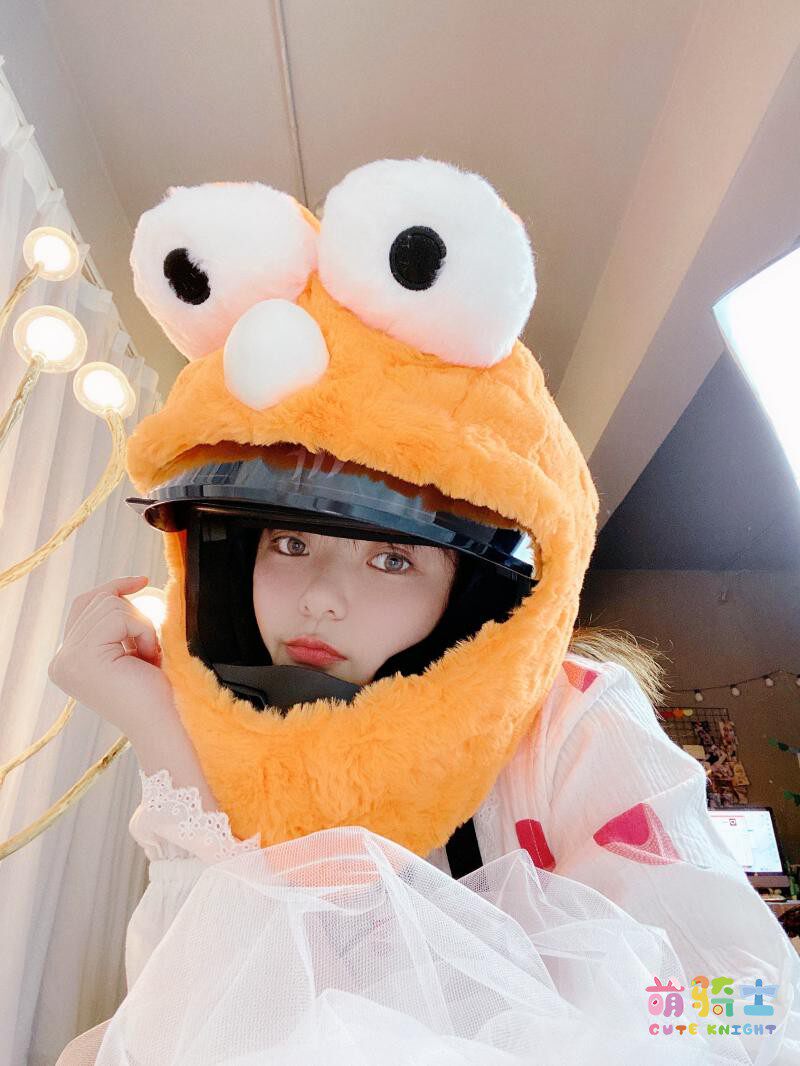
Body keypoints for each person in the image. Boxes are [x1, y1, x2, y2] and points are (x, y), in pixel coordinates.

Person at [50, 156, 800, 1063]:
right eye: (288, 544)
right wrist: (162, 732)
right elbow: (198, 1018)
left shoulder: (568, 726)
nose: (321, 596)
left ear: (472, 588)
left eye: (392, 557)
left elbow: (747, 1008)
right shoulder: (237, 723)